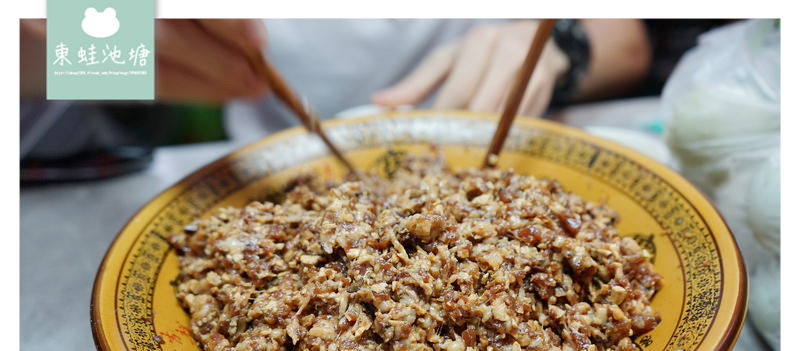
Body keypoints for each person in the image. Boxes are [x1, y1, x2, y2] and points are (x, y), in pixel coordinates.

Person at [20, 19, 652, 170]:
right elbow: (45, 56)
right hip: (274, 170)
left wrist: (563, 40)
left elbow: (633, 41)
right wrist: (69, 46)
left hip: (509, 152)